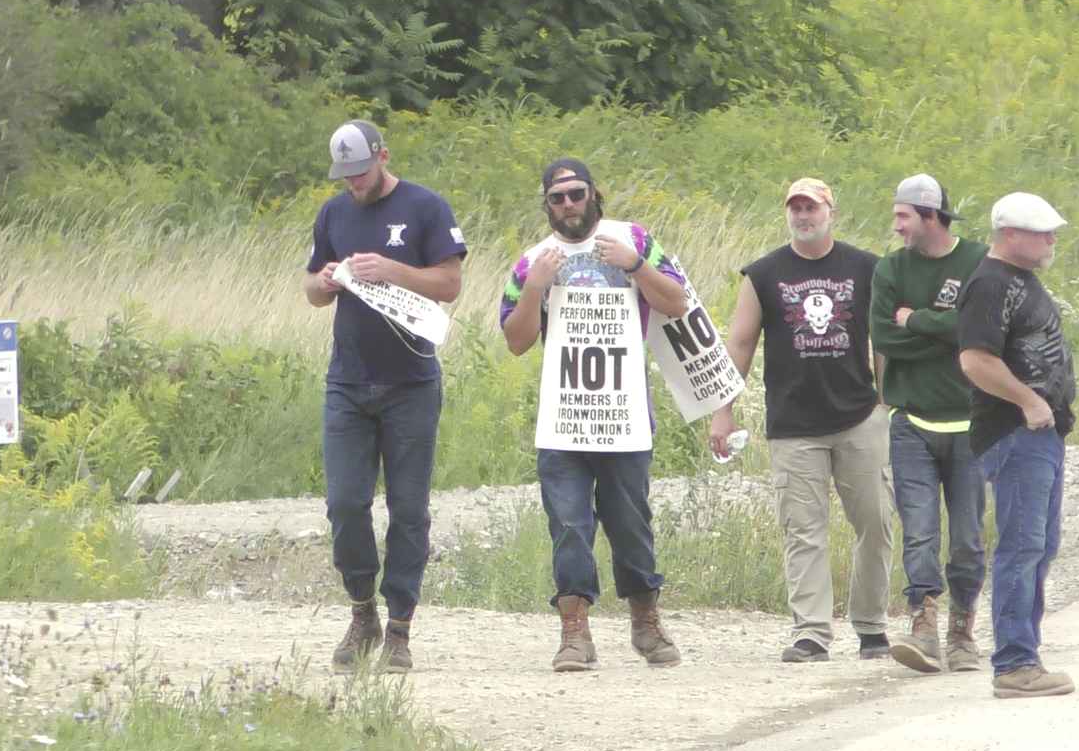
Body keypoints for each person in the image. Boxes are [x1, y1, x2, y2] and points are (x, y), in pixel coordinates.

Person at [501, 158, 689, 672]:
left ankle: (646, 622)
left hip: (623, 413)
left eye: (576, 194)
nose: (568, 205)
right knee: (567, 524)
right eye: (557, 198)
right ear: (547, 205)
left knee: (631, 522)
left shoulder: (632, 238)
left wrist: (635, 265)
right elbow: (516, 342)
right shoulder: (531, 261)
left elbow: (676, 303)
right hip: (563, 417)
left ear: (594, 194)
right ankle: (574, 632)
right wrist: (536, 286)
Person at [304, 119, 467, 674]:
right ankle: (361, 610)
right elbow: (310, 292)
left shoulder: (426, 208)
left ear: (383, 157)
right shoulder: (333, 213)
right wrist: (325, 280)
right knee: (346, 502)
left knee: (408, 508)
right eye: (344, 176)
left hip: (411, 383)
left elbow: (450, 285)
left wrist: (391, 269)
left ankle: (400, 626)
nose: (353, 184)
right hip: (347, 381)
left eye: (361, 172)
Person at [710, 178, 896, 662]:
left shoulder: (866, 268)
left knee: (875, 522)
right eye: (795, 208)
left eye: (811, 207)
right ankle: (811, 632)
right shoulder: (765, 273)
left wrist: (886, 399)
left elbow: (883, 339)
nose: (802, 216)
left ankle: (872, 626)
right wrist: (722, 411)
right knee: (803, 531)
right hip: (794, 424)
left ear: (830, 211)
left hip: (859, 417)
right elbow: (740, 344)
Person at [957, 191, 1078, 699]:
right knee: (1022, 546)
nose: (1051, 240)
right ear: (1011, 235)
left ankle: (1024, 654)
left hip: (1038, 434)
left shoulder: (1018, 282)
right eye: (1042, 232)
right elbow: (975, 360)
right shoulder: (989, 284)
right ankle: (1013, 662)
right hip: (1016, 433)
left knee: (1039, 546)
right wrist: (1029, 402)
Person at [870, 174, 990, 674]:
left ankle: (962, 628)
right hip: (911, 422)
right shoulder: (891, 269)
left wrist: (916, 320)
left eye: (903, 216)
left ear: (931, 216)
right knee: (918, 530)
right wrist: (946, 333)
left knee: (966, 535)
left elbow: (981, 329)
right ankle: (923, 622)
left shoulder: (979, 261)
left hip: (971, 423)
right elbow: (882, 335)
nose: (895, 225)